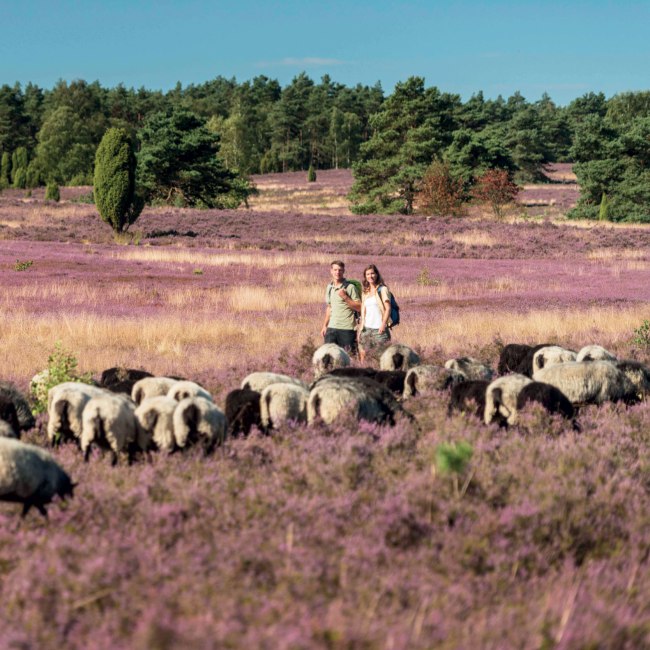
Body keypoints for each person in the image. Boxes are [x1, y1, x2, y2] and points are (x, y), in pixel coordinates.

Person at [321, 260, 361, 356]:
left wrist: (345, 297)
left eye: (340, 270)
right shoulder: (329, 287)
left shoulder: (350, 287)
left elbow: (359, 307)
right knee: (328, 358)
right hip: (331, 329)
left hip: (347, 329)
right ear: (331, 271)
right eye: (335, 270)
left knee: (350, 357)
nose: (337, 272)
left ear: (343, 271)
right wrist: (325, 326)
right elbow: (329, 307)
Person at [358, 264, 392, 362]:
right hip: (366, 329)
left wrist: (383, 324)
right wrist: (361, 328)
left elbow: (388, 308)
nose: (370, 276)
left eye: (372, 273)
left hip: (379, 330)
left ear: (377, 274)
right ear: (365, 276)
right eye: (368, 274)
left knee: (381, 357)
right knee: (363, 356)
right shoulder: (365, 292)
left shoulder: (383, 290)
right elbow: (363, 311)